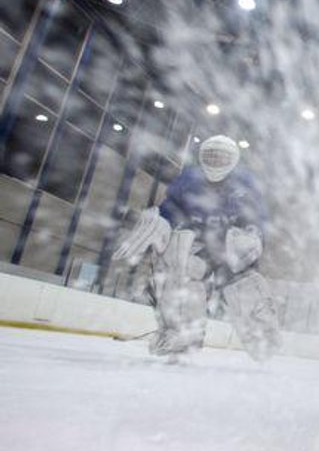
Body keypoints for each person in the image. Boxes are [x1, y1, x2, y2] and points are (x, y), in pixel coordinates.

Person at [111, 135, 281, 361]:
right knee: (178, 272)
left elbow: (257, 215)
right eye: (211, 155)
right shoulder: (188, 180)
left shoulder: (244, 183)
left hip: (232, 247)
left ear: (234, 159)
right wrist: (159, 220)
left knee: (245, 285)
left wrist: (252, 236)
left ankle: (262, 338)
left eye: (223, 156)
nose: (217, 161)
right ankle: (183, 332)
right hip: (198, 244)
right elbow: (170, 209)